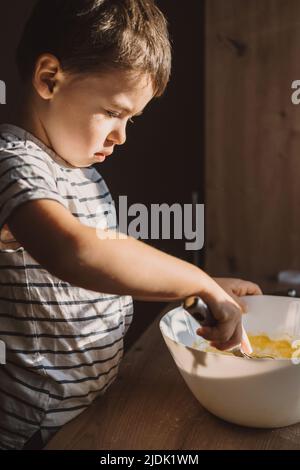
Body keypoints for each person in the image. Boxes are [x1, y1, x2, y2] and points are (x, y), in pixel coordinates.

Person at [0, 0, 261, 450]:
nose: (121, 135)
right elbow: (78, 253)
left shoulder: (82, 175)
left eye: (131, 120)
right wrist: (193, 276)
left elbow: (105, 274)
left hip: (88, 408)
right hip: (32, 428)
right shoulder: (11, 162)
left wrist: (197, 292)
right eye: (113, 111)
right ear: (49, 79)